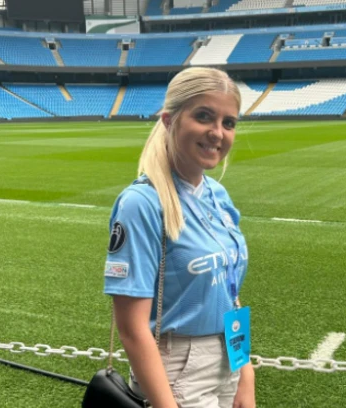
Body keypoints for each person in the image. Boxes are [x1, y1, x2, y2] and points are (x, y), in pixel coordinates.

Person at [103, 67, 255, 408]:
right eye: (204, 117)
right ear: (170, 120)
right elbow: (132, 329)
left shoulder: (218, 195)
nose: (218, 133)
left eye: (228, 123)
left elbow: (228, 293)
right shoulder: (141, 203)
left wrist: (245, 370)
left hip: (229, 360)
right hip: (176, 370)